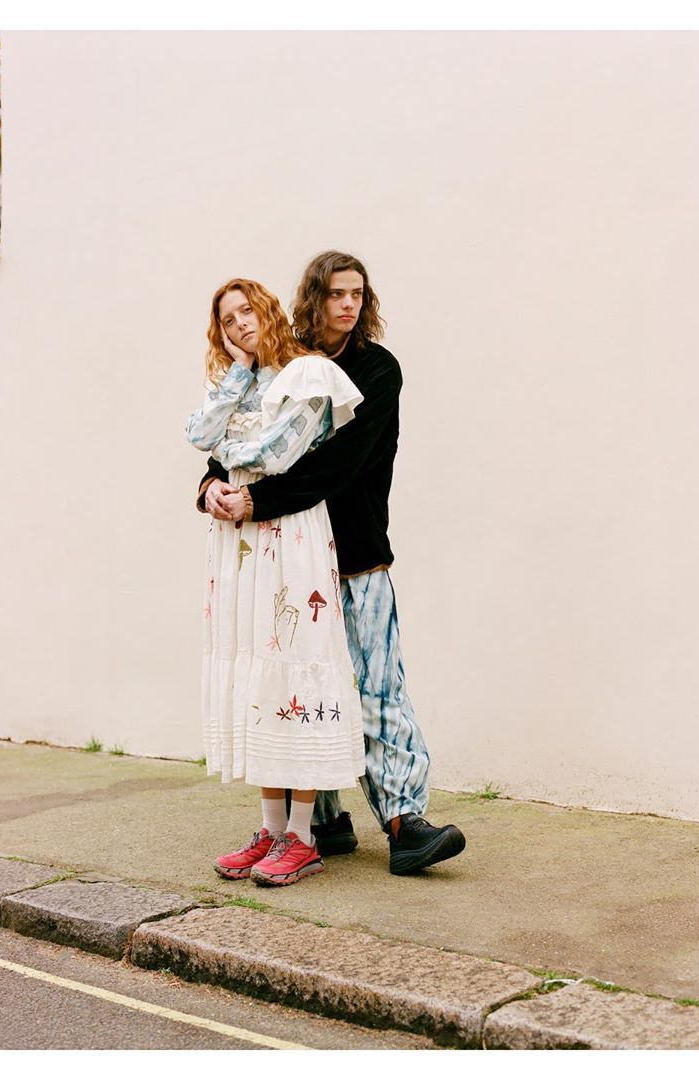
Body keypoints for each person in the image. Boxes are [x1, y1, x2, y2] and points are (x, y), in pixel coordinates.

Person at [196, 251, 466, 875]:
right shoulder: (285, 362)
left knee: (375, 688)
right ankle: (321, 822)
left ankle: (404, 822)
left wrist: (256, 500)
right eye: (335, 294)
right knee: (294, 680)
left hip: (355, 558)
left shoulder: (375, 370)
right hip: (284, 560)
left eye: (357, 294)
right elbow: (244, 441)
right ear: (312, 299)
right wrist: (211, 487)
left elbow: (337, 464)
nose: (347, 304)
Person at [186, 278, 366, 887]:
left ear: (266, 309)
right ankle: (271, 830)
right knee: (260, 666)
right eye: (227, 320)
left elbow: (278, 452)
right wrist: (214, 478)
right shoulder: (240, 381)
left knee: (297, 660)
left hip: (289, 533)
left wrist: (227, 465)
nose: (239, 325)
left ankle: (305, 837)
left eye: (246, 312)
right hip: (240, 542)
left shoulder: (309, 373)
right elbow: (199, 438)